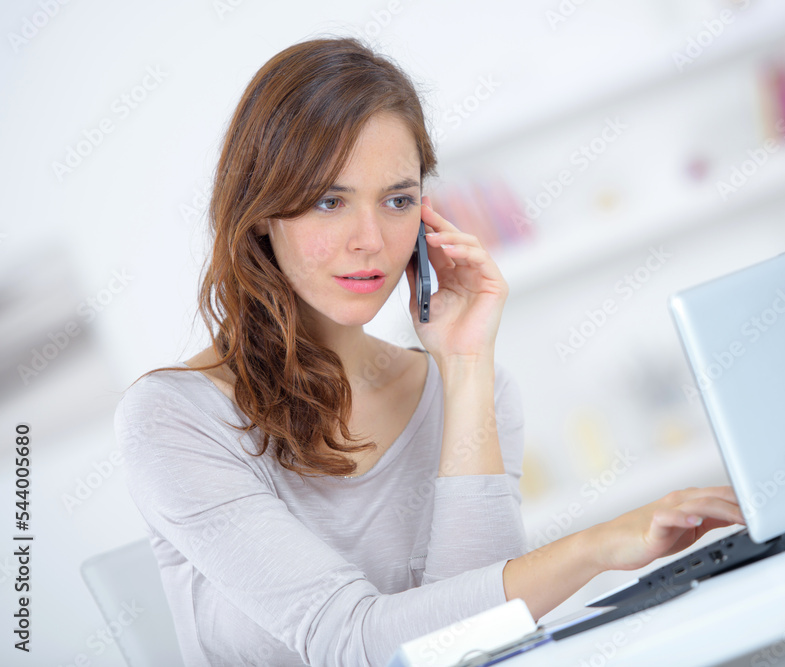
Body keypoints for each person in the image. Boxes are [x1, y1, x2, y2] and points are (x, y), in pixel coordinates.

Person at [114, 35, 745, 667]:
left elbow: (471, 645)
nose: (370, 240)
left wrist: (466, 366)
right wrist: (595, 547)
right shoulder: (174, 419)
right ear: (259, 212)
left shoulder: (476, 389)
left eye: (397, 200)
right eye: (330, 200)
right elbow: (354, 643)